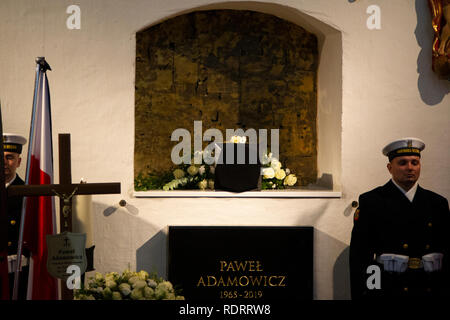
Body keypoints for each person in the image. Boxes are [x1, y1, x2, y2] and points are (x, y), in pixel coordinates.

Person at [350, 137, 449, 299]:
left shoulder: (437, 203)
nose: (410, 168)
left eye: (414, 163)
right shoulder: (372, 201)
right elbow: (361, 258)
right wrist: (367, 293)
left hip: (428, 286)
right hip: (390, 288)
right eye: (402, 163)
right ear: (390, 167)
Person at [3, 133, 29, 299]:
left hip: (17, 270)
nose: (4, 162)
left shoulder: (29, 192)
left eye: (10, 157)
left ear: (19, 162)